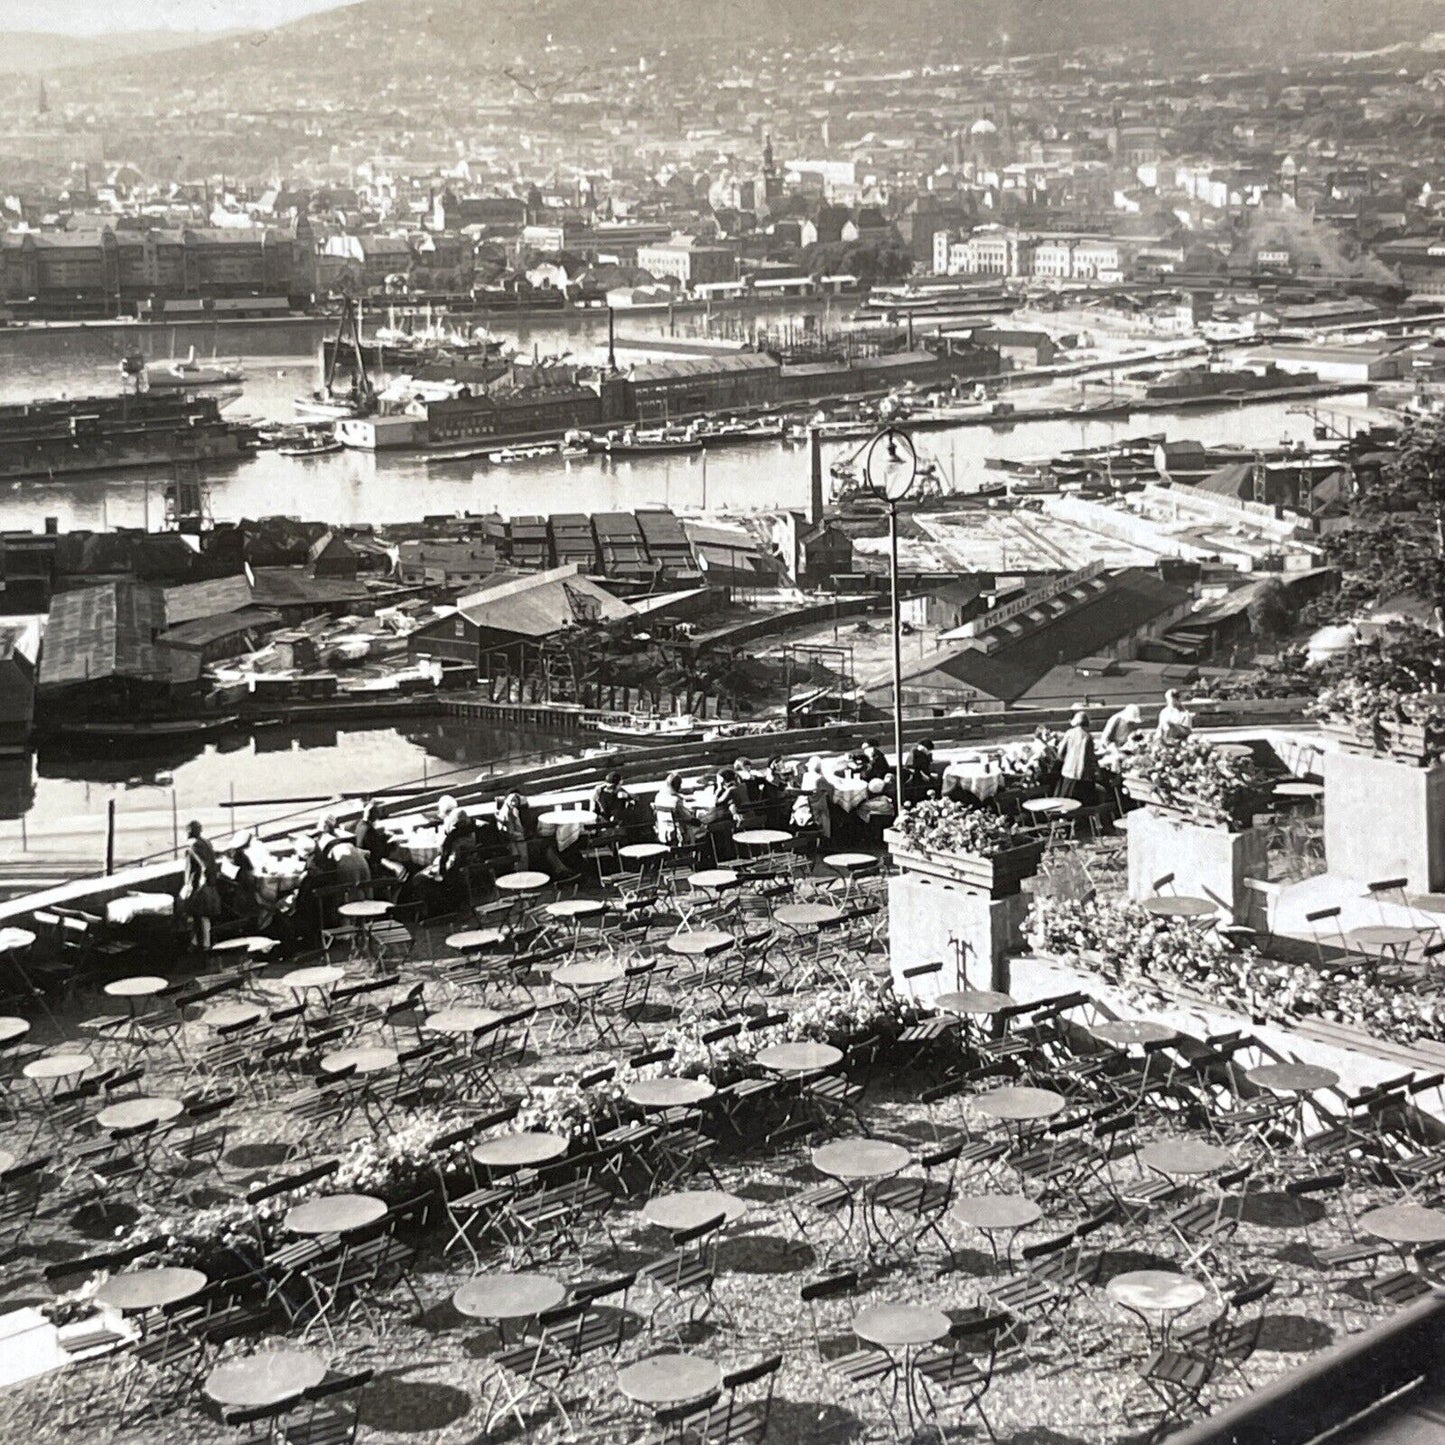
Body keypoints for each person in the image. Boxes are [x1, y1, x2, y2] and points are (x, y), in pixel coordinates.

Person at [499, 790, 574, 879]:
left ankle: (561, 869)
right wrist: (524, 836)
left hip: (521, 843)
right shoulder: (509, 813)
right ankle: (561, 870)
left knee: (548, 840)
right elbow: (510, 834)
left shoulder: (509, 811)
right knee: (545, 844)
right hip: (517, 846)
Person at [180, 820, 222, 953]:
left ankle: (203, 944)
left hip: (200, 884)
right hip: (210, 883)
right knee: (204, 915)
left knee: (199, 915)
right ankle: (202, 943)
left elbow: (198, 867)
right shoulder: (207, 842)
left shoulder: (191, 846)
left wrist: (193, 886)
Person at [1058, 711, 1098, 803]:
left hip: (1068, 772)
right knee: (1082, 803)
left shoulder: (1069, 733)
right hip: (1083, 775)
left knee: (1065, 802)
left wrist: (1065, 761)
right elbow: (1091, 757)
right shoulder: (1088, 736)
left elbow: (1060, 752)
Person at [354, 801, 397, 877]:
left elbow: (373, 843)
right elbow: (378, 852)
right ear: (373, 815)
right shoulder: (369, 830)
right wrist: (392, 845)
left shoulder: (360, 825)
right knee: (397, 870)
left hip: (364, 859)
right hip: (372, 865)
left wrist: (384, 837)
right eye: (376, 813)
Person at [653, 771, 695, 846]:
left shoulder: (658, 796)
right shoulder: (676, 801)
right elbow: (686, 818)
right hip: (678, 835)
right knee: (698, 827)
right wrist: (692, 814)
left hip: (663, 833)